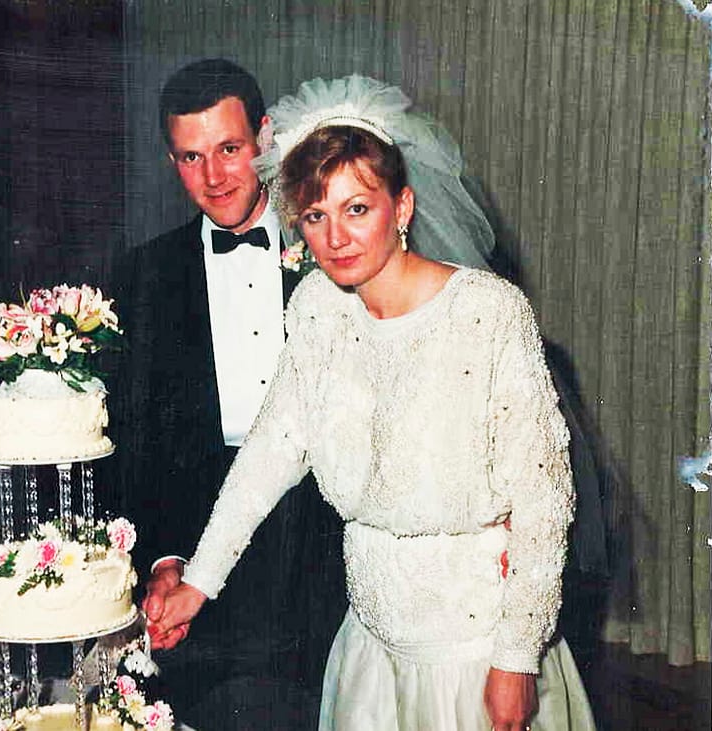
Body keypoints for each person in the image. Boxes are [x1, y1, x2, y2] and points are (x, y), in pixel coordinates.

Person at [154, 75, 597, 731]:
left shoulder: (487, 313)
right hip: (368, 643)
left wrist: (515, 657)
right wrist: (198, 582)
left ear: (403, 205)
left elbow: (543, 499)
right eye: (315, 215)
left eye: (356, 208)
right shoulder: (316, 308)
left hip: (472, 648)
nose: (336, 236)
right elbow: (270, 453)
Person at [107, 60, 345, 724]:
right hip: (202, 535)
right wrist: (163, 555)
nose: (213, 177)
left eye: (229, 149)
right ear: (172, 161)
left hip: (325, 533)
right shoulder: (145, 273)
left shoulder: (336, 245)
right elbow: (139, 440)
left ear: (265, 137)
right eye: (191, 157)